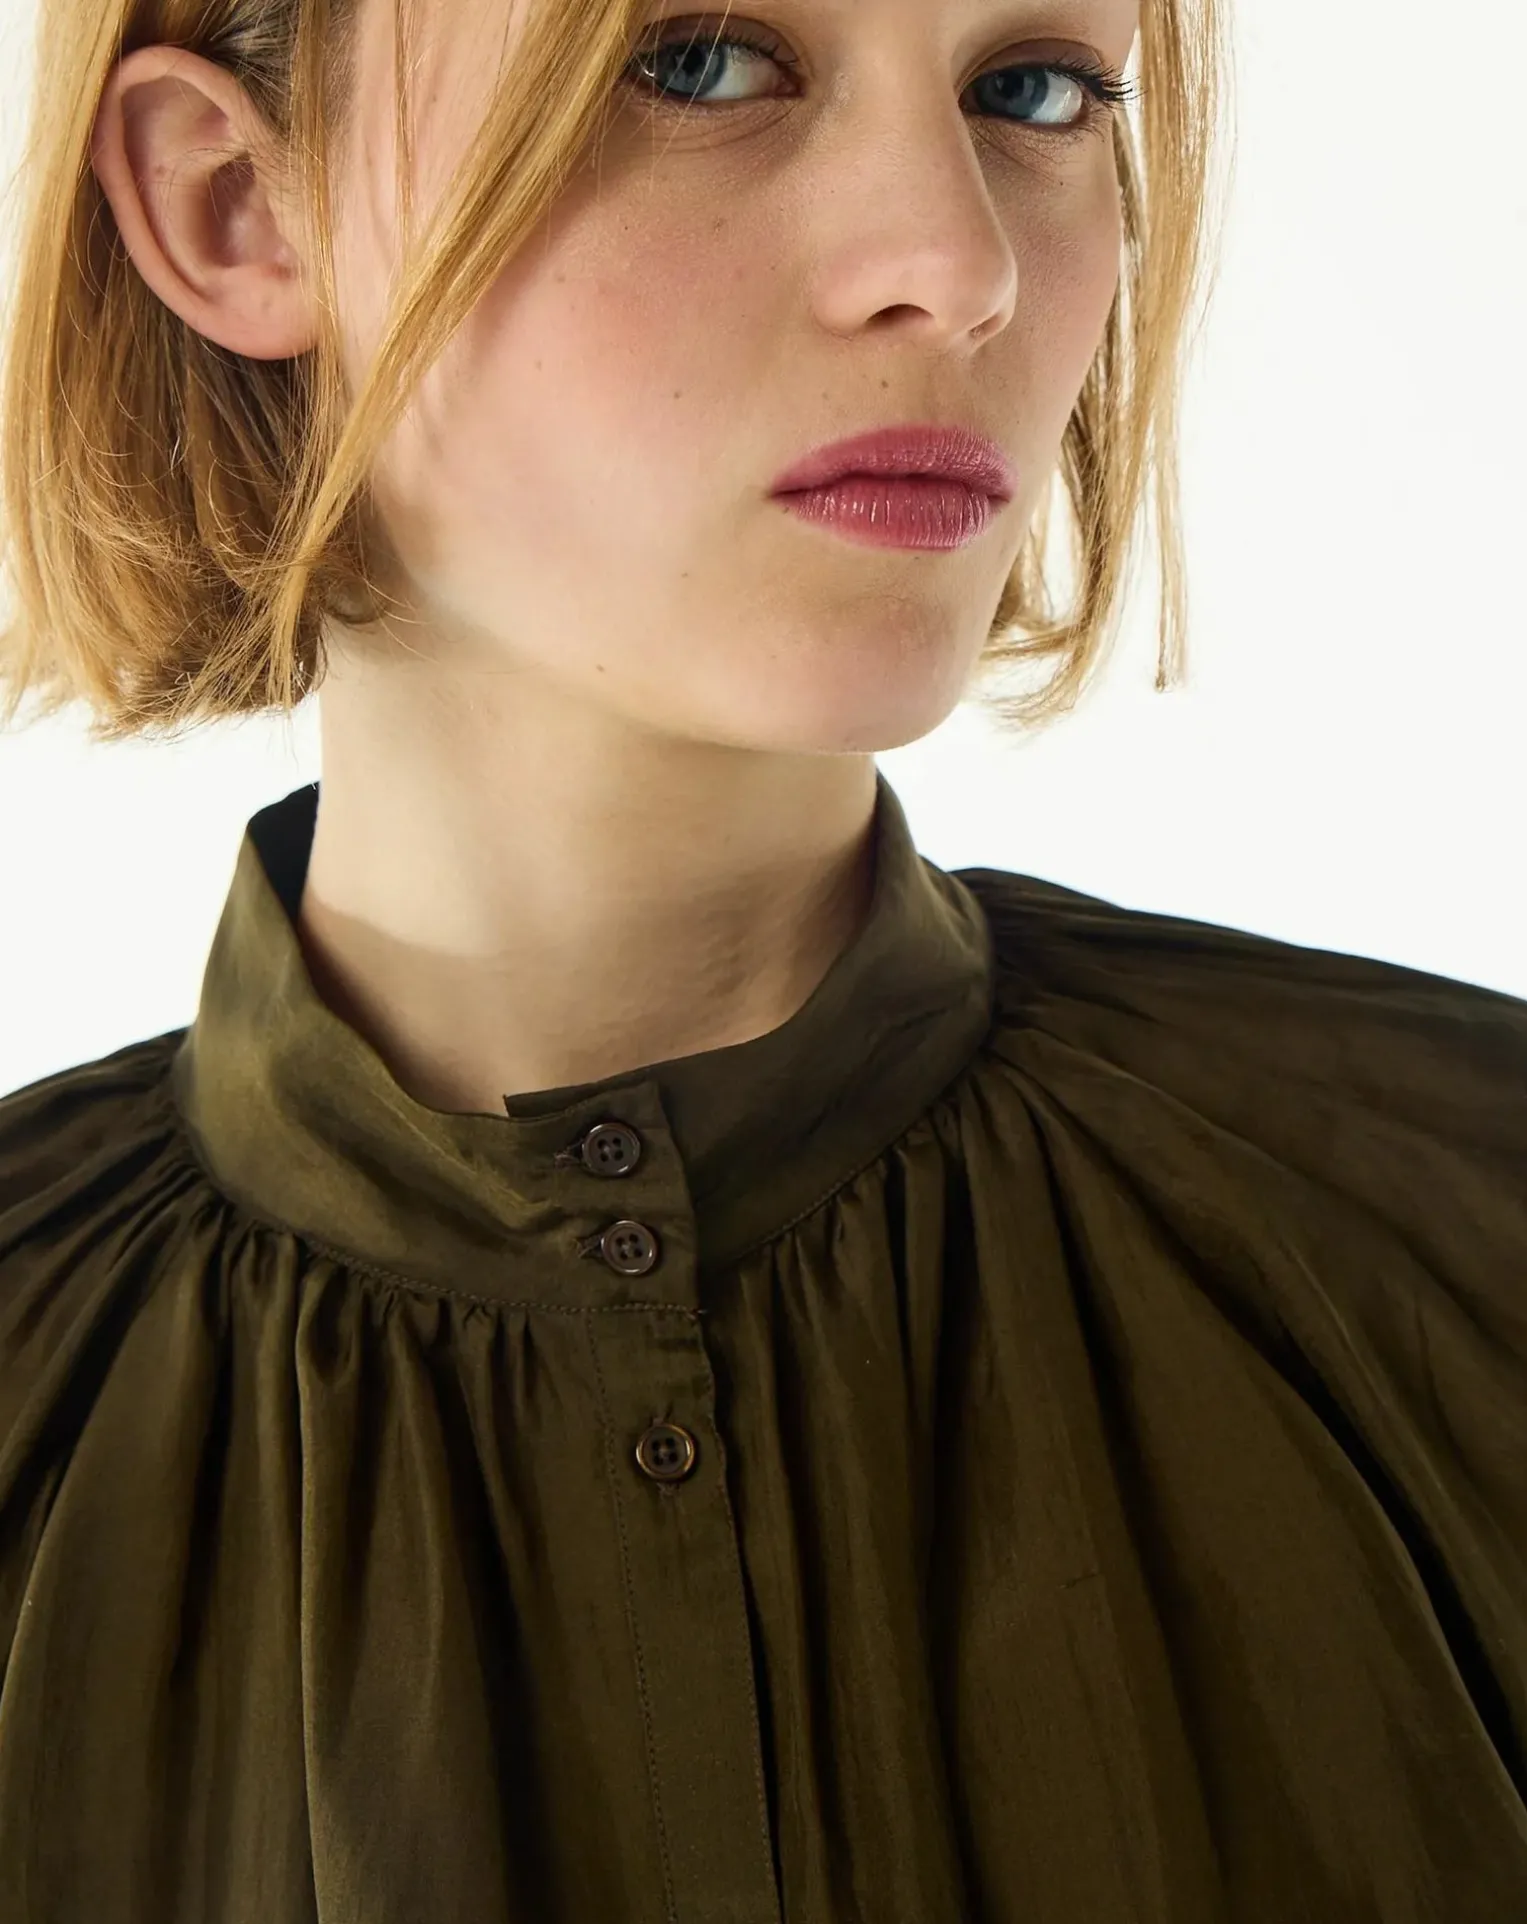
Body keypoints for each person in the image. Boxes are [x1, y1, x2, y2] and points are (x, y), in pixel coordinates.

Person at [0, 1, 1523, 1918]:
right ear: (230, 203)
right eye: (700, 63)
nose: (958, 264)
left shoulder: (1471, 1231)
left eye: (1032, 91)